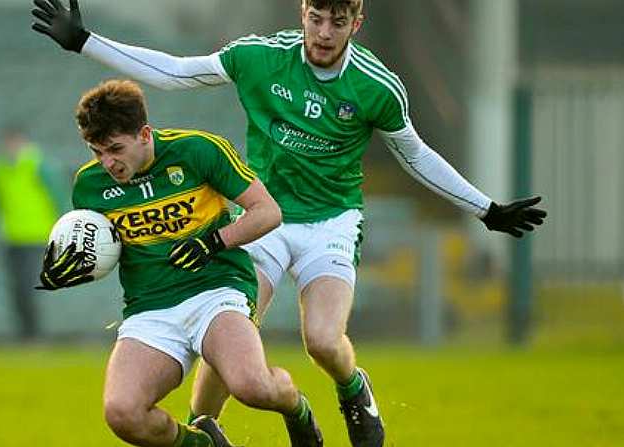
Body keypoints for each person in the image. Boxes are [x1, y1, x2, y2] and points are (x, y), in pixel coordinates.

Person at [30, 1, 548, 445]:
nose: (324, 32)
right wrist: (85, 42)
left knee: (322, 340)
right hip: (266, 219)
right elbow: (179, 72)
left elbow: (415, 155)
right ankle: (200, 427)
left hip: (331, 221)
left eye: (337, 21)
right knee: (229, 331)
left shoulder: (375, 87)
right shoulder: (260, 57)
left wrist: (485, 208)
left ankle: (352, 389)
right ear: (303, 13)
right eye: (316, 17)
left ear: (356, 23)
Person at [37, 78, 324, 447]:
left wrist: (213, 242)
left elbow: (267, 212)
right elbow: (102, 248)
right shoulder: (88, 186)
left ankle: (296, 409)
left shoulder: (198, 150)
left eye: (114, 149)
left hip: (216, 291)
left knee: (253, 388)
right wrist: (75, 264)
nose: (107, 162)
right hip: (150, 309)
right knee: (123, 413)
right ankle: (204, 444)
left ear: (144, 134)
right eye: (96, 152)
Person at [0, 125, 66, 340]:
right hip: (10, 237)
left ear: (24, 142)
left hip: (36, 235)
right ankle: (25, 334)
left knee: (28, 287)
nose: (11, 147)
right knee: (16, 289)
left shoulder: (39, 165)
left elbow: (59, 197)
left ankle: (34, 334)